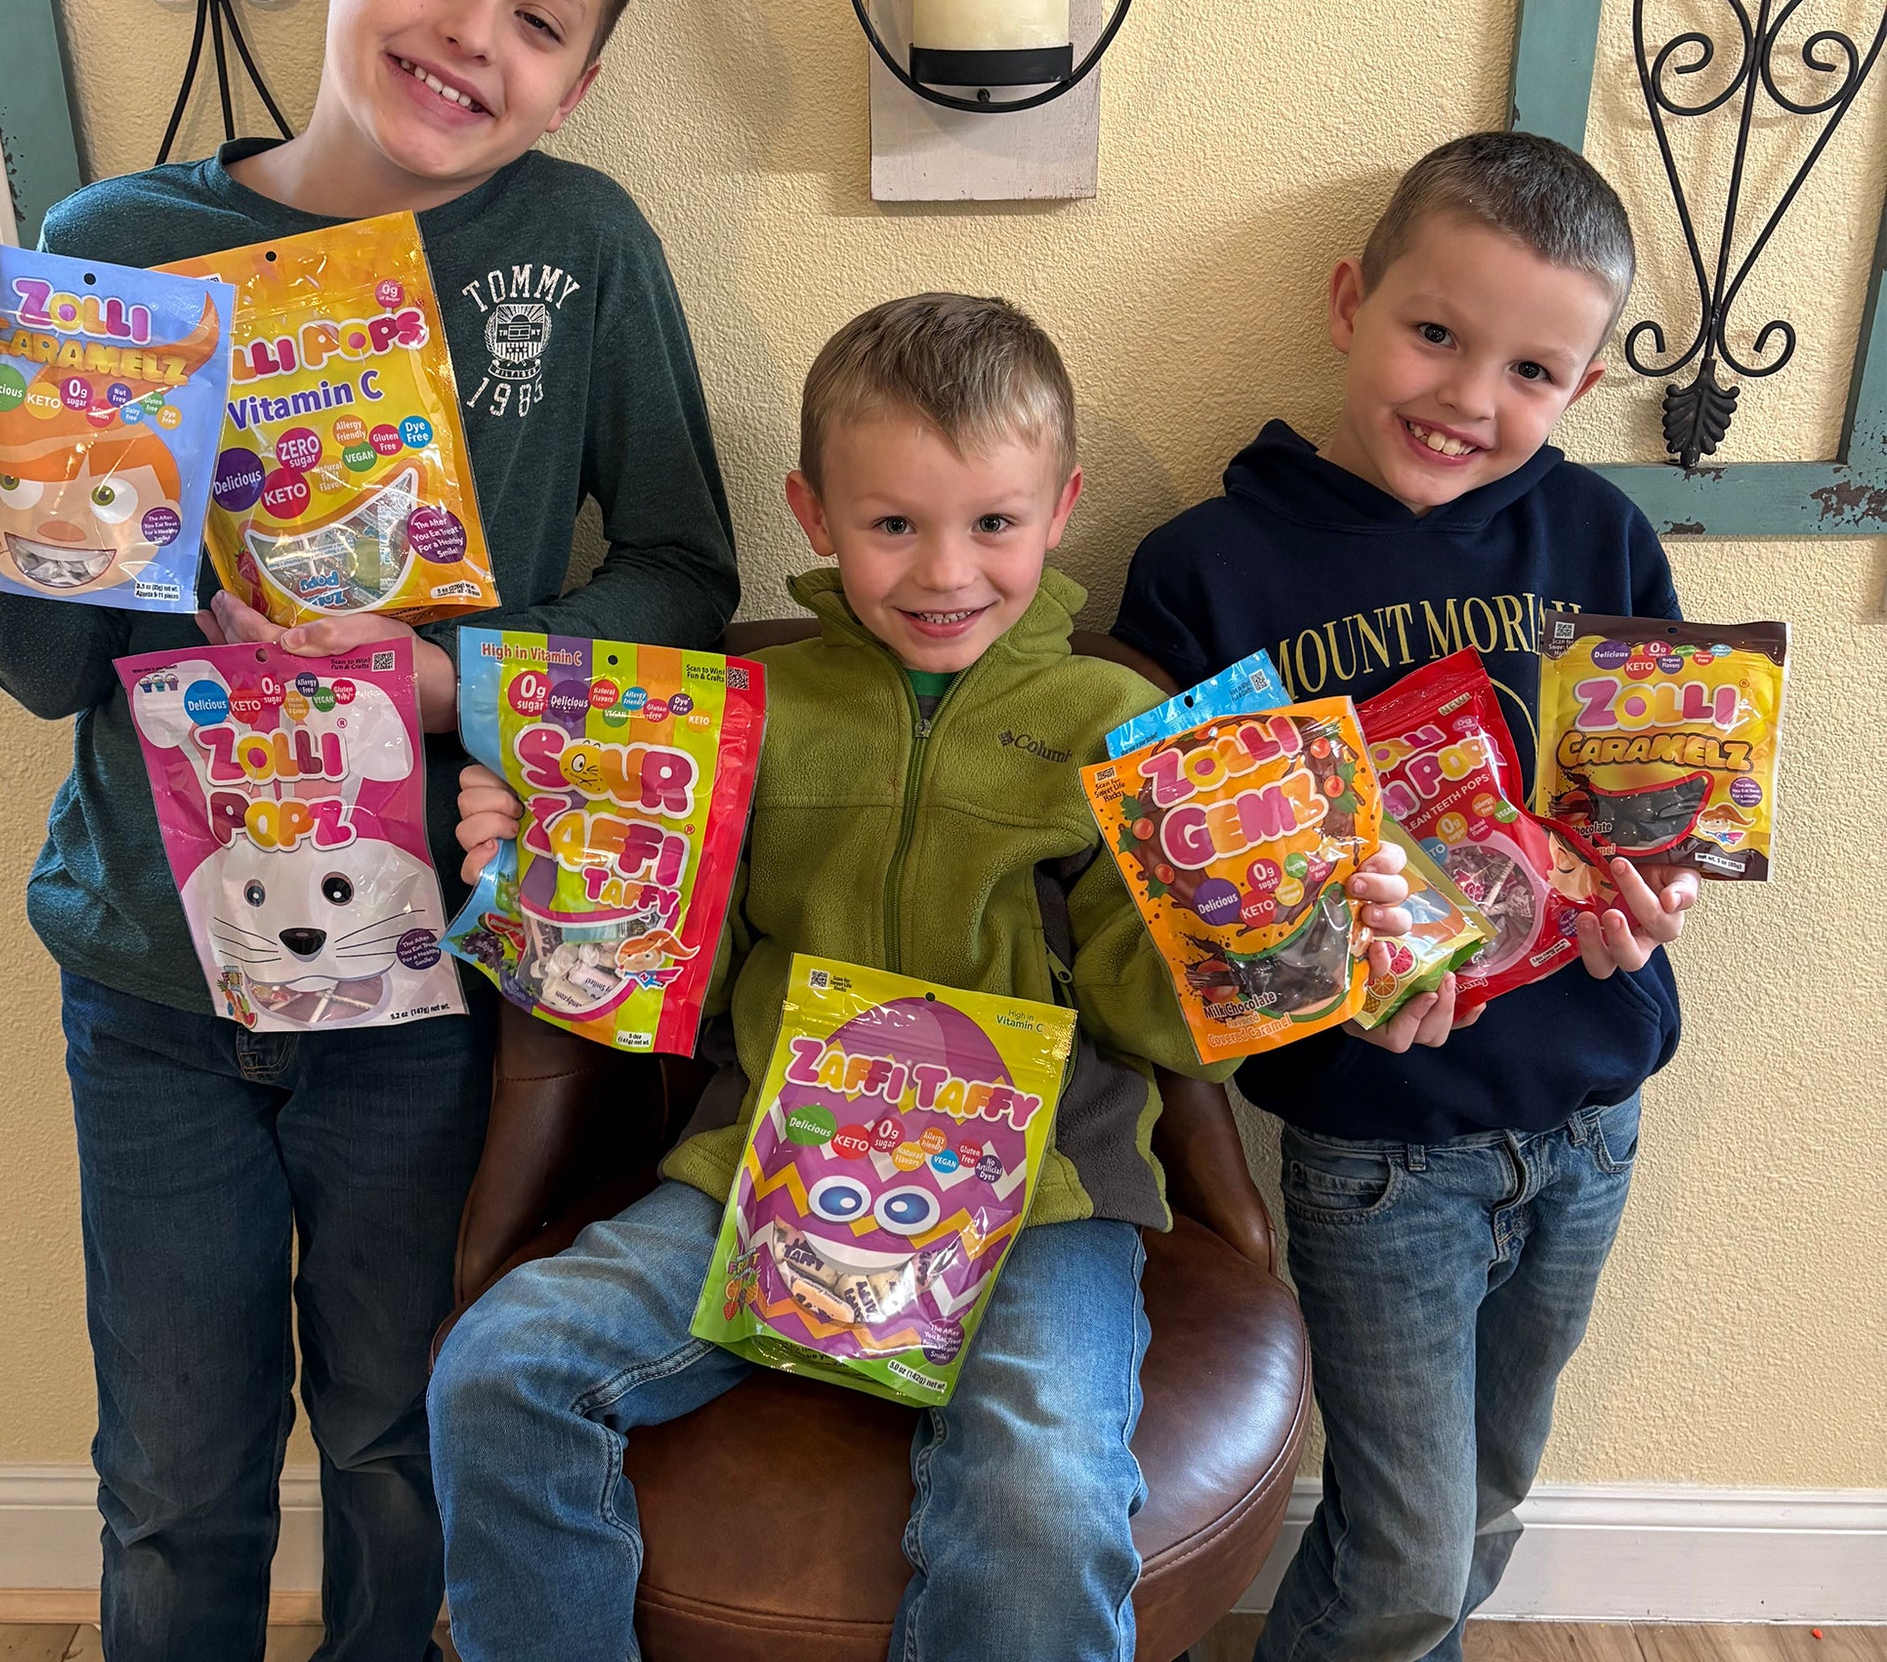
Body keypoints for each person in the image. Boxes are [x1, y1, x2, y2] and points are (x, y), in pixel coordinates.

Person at [0, 0, 736, 1662]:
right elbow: (47, 671)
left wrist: (462, 674)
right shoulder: (117, 238)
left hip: (432, 986)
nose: (468, 33)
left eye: (539, 16)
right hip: (150, 983)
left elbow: (685, 569)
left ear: (581, 80)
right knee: (177, 1476)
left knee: (392, 1441)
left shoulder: (579, 251)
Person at [427, 291, 1419, 1662]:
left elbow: (1158, 1017)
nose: (946, 571)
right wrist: (545, 863)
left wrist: (1285, 927)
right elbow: (679, 985)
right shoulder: (745, 715)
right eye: (895, 524)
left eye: (993, 523)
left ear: (1062, 507)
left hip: (1047, 1202)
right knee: (502, 1366)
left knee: (1045, 1490)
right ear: (815, 512)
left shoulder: (1119, 725)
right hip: (764, 1164)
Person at [1112, 132, 1700, 1662]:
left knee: (1486, 1514)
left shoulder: (1603, 539)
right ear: (1348, 301)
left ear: (1582, 389)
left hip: (1591, 1115)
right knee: (1404, 1567)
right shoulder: (1204, 574)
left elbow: (1650, 815)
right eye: (1435, 334)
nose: (1467, 398)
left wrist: (1647, 907)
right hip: (1382, 1157)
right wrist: (1332, 979)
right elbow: (1195, 902)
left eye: (1532, 370)